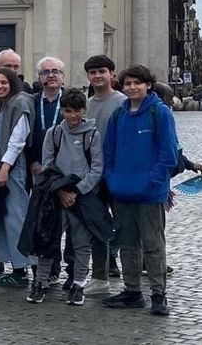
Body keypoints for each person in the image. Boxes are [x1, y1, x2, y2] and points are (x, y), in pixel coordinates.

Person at [101, 65, 177, 316]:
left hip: (149, 193)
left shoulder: (160, 113)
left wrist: (151, 182)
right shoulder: (118, 116)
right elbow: (108, 151)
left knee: (153, 245)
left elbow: (168, 155)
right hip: (122, 191)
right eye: (128, 83)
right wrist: (112, 179)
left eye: (137, 83)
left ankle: (158, 294)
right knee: (127, 244)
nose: (132, 87)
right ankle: (132, 291)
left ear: (148, 85)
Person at [27, 89, 106, 306]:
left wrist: (77, 191)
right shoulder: (54, 133)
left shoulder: (92, 135)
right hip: (56, 195)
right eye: (68, 111)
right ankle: (40, 282)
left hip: (83, 196)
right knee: (48, 241)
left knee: (81, 243)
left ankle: (78, 283)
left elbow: (96, 169)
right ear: (62, 111)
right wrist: (60, 191)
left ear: (84, 111)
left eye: (77, 111)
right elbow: (47, 165)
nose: (72, 116)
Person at [0, 67, 34, 287]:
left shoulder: (19, 103)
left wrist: (5, 168)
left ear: (12, 83)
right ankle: (12, 264)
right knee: (3, 218)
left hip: (11, 168)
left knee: (16, 217)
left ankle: (23, 269)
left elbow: (18, 140)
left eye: (4, 83)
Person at [83, 54, 126, 294]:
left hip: (117, 172)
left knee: (123, 222)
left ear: (112, 74)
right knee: (97, 224)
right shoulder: (87, 104)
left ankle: (127, 269)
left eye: (102, 71)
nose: (97, 76)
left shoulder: (122, 102)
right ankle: (100, 275)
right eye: (93, 72)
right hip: (93, 175)